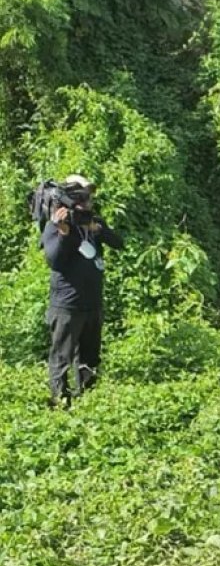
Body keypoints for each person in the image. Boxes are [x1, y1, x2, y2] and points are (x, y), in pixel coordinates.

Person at [41, 174, 123, 408]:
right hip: (67, 305)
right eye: (84, 197)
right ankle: (60, 401)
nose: (88, 202)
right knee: (62, 357)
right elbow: (54, 260)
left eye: (89, 198)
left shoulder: (93, 221)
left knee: (90, 357)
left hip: (92, 304)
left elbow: (119, 243)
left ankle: (88, 401)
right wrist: (64, 233)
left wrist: (97, 229)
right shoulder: (54, 224)